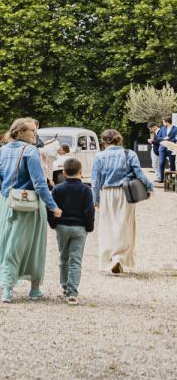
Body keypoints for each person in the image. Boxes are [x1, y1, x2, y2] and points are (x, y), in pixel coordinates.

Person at [0, 117, 62, 304]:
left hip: (8, 202)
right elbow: (39, 183)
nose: (36, 133)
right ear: (20, 132)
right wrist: (53, 206)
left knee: (8, 244)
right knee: (33, 247)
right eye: (32, 130)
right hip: (29, 204)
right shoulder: (30, 151)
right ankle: (34, 288)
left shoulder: (0, 152)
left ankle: (7, 288)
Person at [91, 128, 152, 274]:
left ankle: (110, 258)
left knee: (107, 225)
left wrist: (95, 199)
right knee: (125, 225)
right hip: (126, 193)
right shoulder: (129, 154)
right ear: (119, 139)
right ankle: (120, 257)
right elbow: (139, 174)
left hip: (107, 193)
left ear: (104, 141)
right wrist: (149, 189)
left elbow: (95, 181)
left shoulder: (99, 156)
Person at [49, 157, 95, 305]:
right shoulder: (86, 190)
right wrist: (89, 227)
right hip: (79, 227)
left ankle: (64, 286)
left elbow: (50, 208)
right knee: (76, 260)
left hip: (62, 227)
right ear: (81, 173)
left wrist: (53, 224)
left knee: (64, 258)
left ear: (63, 172)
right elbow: (89, 211)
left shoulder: (57, 189)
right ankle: (72, 292)